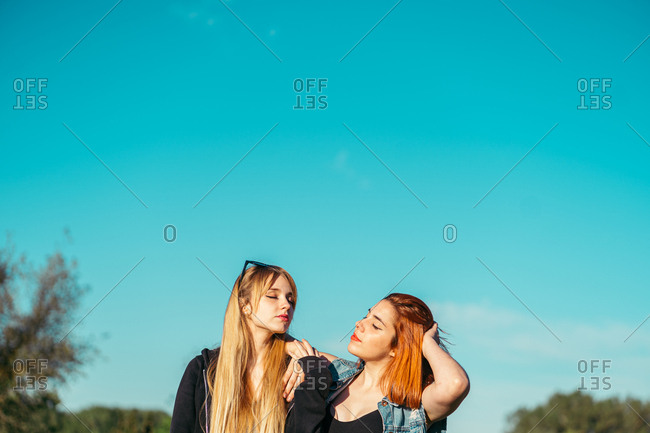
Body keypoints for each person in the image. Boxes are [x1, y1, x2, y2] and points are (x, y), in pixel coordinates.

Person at [285, 293, 470, 433]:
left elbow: (456, 384)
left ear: (397, 348)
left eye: (375, 325)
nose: (359, 323)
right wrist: (297, 360)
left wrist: (427, 343)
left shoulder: (413, 405)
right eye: (367, 315)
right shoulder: (336, 372)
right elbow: (278, 341)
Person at [170, 260, 300, 433]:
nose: (286, 305)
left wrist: (306, 357)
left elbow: (348, 373)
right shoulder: (202, 370)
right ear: (245, 305)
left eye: (290, 299)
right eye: (272, 296)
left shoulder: (294, 370)